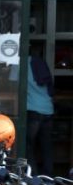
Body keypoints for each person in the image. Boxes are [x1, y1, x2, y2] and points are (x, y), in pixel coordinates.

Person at [26, 46, 54, 176]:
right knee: (46, 147)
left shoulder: (20, 64)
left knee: (27, 146)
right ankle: (48, 178)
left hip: (33, 111)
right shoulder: (41, 64)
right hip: (48, 110)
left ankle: (34, 178)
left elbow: (12, 85)